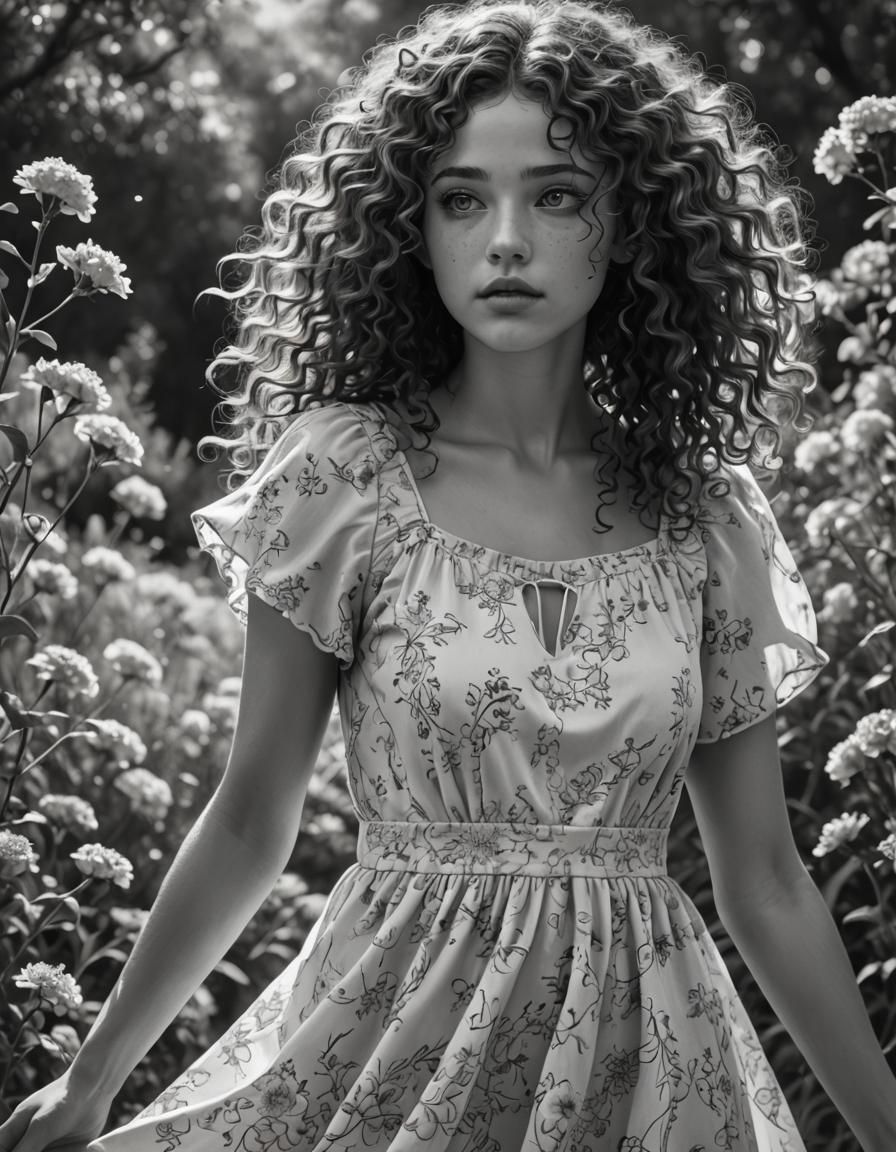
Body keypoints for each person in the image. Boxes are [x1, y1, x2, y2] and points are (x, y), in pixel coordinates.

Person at [3, 0, 896, 1149]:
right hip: (388, 1039)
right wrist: (92, 1078)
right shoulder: (343, 475)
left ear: (631, 220)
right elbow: (249, 818)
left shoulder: (705, 514)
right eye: (462, 199)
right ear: (408, 228)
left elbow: (765, 881)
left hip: (648, 1069)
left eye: (556, 195)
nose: (506, 239)